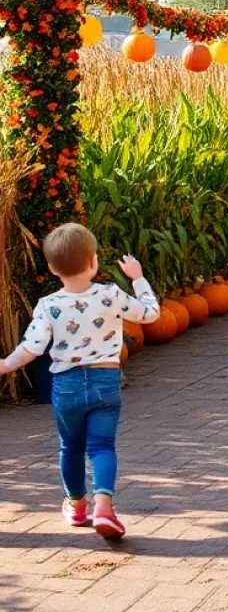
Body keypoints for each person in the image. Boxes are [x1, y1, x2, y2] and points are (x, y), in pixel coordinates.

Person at [0, 223, 160, 540]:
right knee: (102, 447)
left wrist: (6, 364)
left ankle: (76, 506)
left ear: (51, 268)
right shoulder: (111, 295)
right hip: (106, 379)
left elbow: (32, 348)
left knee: (70, 448)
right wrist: (138, 278)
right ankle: (104, 506)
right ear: (94, 262)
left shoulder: (48, 305)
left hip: (67, 386)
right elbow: (151, 314)